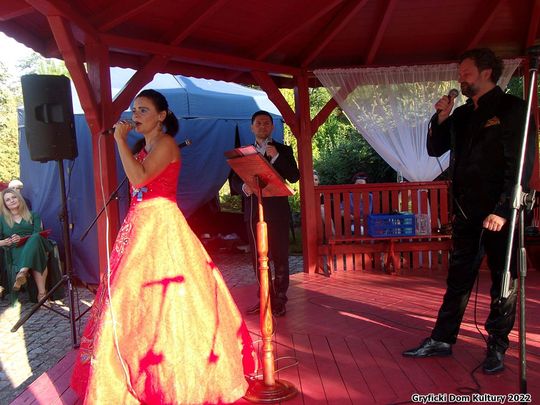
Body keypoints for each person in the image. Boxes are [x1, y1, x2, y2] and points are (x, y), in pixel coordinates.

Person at [70, 89, 255, 404]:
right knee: (131, 297)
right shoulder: (145, 147)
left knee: (171, 300)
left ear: (161, 116)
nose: (136, 115)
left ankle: (174, 377)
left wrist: (119, 142)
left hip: (160, 224)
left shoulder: (167, 144)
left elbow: (139, 178)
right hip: (139, 224)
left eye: (143, 110)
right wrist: (128, 145)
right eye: (134, 110)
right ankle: (128, 370)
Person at [402, 48, 536, 374]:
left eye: (466, 72)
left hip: (501, 213)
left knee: (504, 281)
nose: (460, 78)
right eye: (460, 73)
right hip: (466, 212)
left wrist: (503, 209)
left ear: (487, 72)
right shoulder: (461, 114)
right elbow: (434, 148)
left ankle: (497, 347)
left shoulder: (513, 109)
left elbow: (521, 163)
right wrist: (440, 118)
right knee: (458, 278)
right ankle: (442, 339)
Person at [231, 110, 300, 317]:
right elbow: (233, 181)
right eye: (258, 123)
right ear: (252, 127)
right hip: (254, 210)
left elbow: (294, 176)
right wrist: (244, 187)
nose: (263, 126)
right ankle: (264, 298)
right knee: (258, 258)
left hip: (277, 211)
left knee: (279, 256)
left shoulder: (283, 150)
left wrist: (276, 157)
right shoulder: (244, 152)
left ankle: (280, 299)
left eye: (266, 123)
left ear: (272, 127)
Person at [0, 188, 51, 302]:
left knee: (36, 238)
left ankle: (23, 271)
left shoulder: (33, 215)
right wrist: (5, 241)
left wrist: (22, 238)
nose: (12, 200)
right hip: (16, 249)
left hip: (36, 244)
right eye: (8, 200)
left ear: (19, 199)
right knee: (38, 256)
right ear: (5, 204)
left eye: (14, 197)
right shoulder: (2, 219)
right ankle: (42, 295)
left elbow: (38, 234)